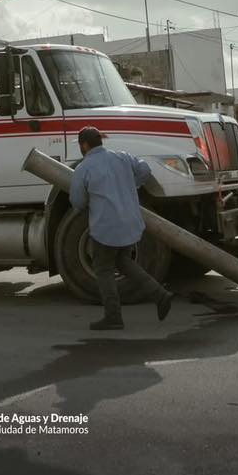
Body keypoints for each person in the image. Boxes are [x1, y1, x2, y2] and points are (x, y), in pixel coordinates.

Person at [68, 125, 174, 330]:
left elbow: (78, 202)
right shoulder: (122, 157)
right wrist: (131, 185)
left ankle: (113, 316)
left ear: (84, 145)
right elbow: (145, 169)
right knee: (124, 263)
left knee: (103, 269)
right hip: (130, 223)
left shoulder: (84, 168)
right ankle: (160, 295)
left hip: (106, 228)